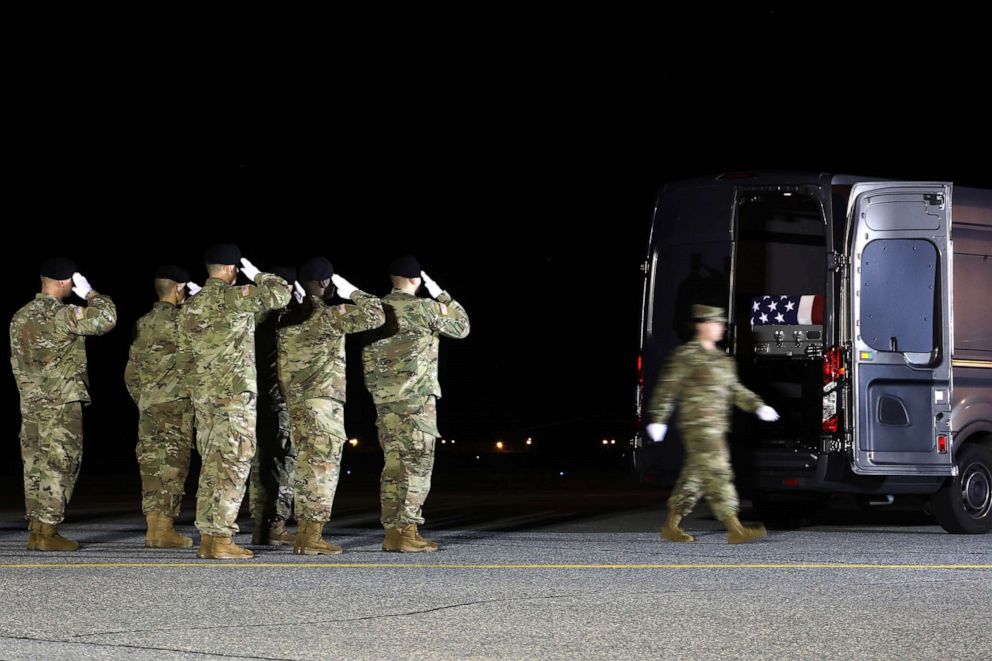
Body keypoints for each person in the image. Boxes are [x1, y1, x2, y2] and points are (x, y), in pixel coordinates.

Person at [178, 244, 291, 559]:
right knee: (234, 465)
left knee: (212, 468)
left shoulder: (190, 305)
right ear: (231, 269)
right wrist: (257, 273)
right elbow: (280, 293)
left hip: (205, 399)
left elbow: (184, 358)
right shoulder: (234, 297)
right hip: (233, 400)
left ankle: (209, 538)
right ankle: (221, 538)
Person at [361, 255, 469, 553]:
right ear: (415, 280)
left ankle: (393, 530)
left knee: (394, 465)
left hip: (384, 399)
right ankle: (406, 531)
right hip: (416, 399)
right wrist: (442, 294)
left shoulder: (376, 309)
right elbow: (461, 326)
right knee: (417, 464)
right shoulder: (425, 308)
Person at [646, 304, 779, 544]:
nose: (721, 328)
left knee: (695, 476)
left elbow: (734, 390)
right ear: (701, 325)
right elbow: (669, 387)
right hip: (697, 425)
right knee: (719, 470)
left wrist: (758, 406)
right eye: (716, 323)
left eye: (722, 324)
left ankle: (670, 526)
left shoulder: (723, 360)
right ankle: (735, 528)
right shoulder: (686, 356)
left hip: (717, 425)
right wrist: (658, 418)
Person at [278, 256, 384, 554]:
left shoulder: (287, 319)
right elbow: (376, 315)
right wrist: (354, 292)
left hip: (297, 404)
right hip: (323, 404)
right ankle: (311, 537)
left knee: (305, 467)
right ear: (325, 283)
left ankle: (304, 534)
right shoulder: (327, 315)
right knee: (322, 469)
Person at [10, 258, 117, 551]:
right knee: (60, 463)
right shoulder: (62, 314)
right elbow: (106, 320)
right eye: (71, 281)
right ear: (61, 282)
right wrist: (92, 294)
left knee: (35, 464)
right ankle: (48, 532)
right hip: (60, 402)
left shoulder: (20, 316)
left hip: (31, 404)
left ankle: (36, 529)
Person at [125, 265, 197, 548]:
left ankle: (153, 529)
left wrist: (144, 398)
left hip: (149, 405)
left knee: (151, 465)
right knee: (173, 466)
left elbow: (131, 372)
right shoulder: (184, 322)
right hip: (175, 404)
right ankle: (164, 529)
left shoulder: (143, 323)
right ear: (180, 288)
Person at [249, 266, 299, 546]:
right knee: (283, 461)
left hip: (256, 398)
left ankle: (260, 525)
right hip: (279, 399)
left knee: (260, 463)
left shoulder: (255, 316)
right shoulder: (285, 318)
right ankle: (275, 525)